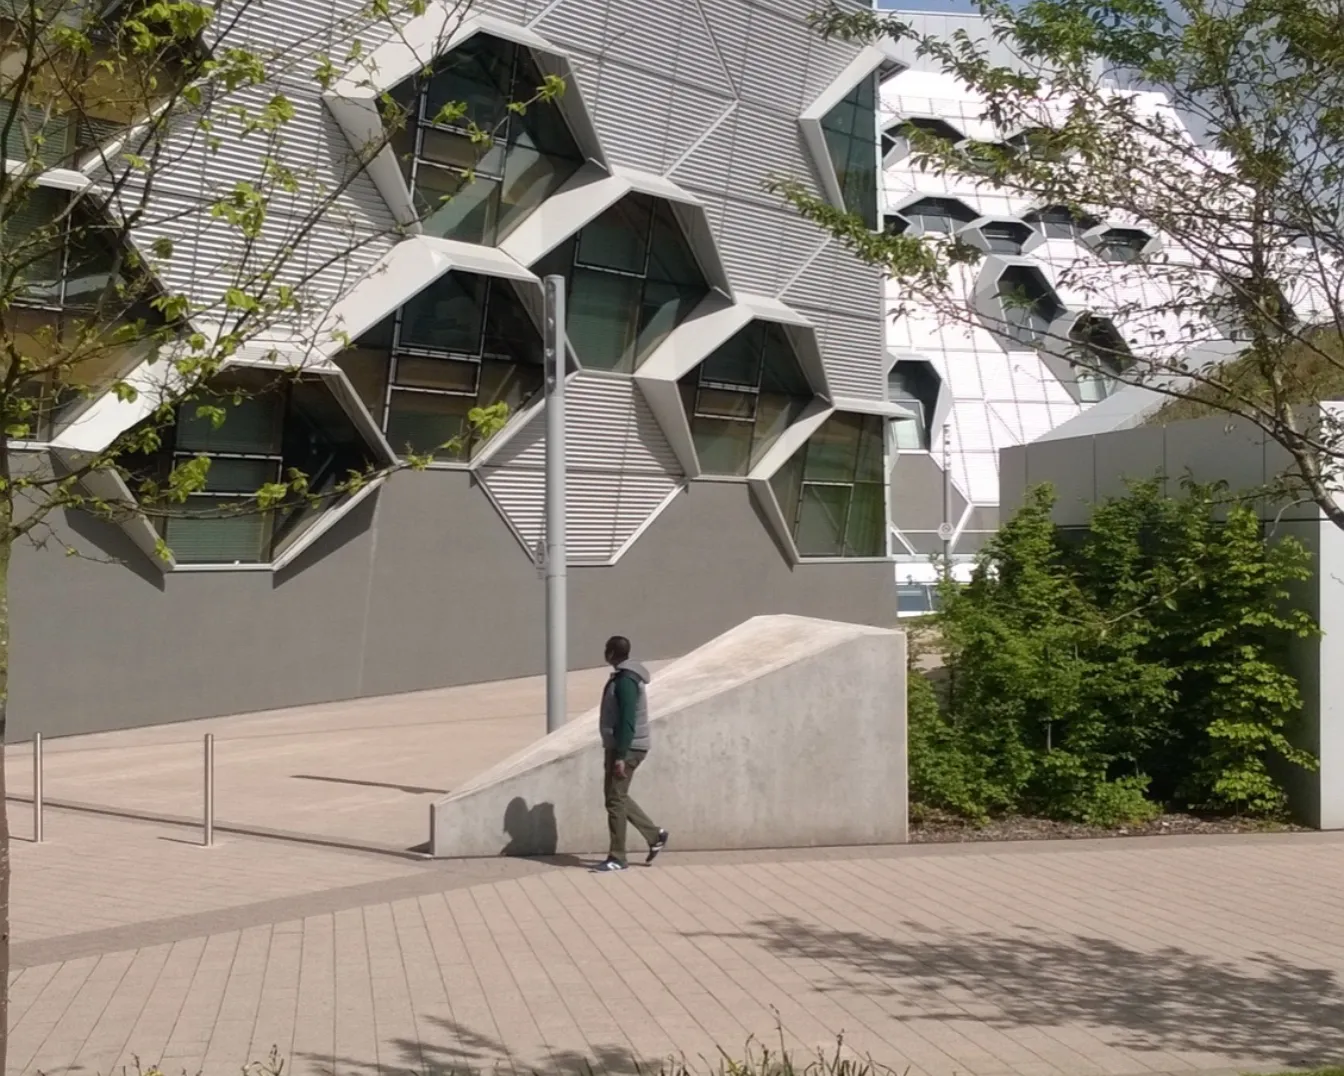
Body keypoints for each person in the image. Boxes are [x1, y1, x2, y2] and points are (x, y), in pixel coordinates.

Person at [592, 634, 668, 873]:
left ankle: (617, 857)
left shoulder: (626, 680)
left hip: (627, 748)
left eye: (607, 650)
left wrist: (621, 756)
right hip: (621, 746)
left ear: (612, 653)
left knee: (614, 801)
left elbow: (627, 721)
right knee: (616, 797)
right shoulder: (625, 676)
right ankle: (655, 835)